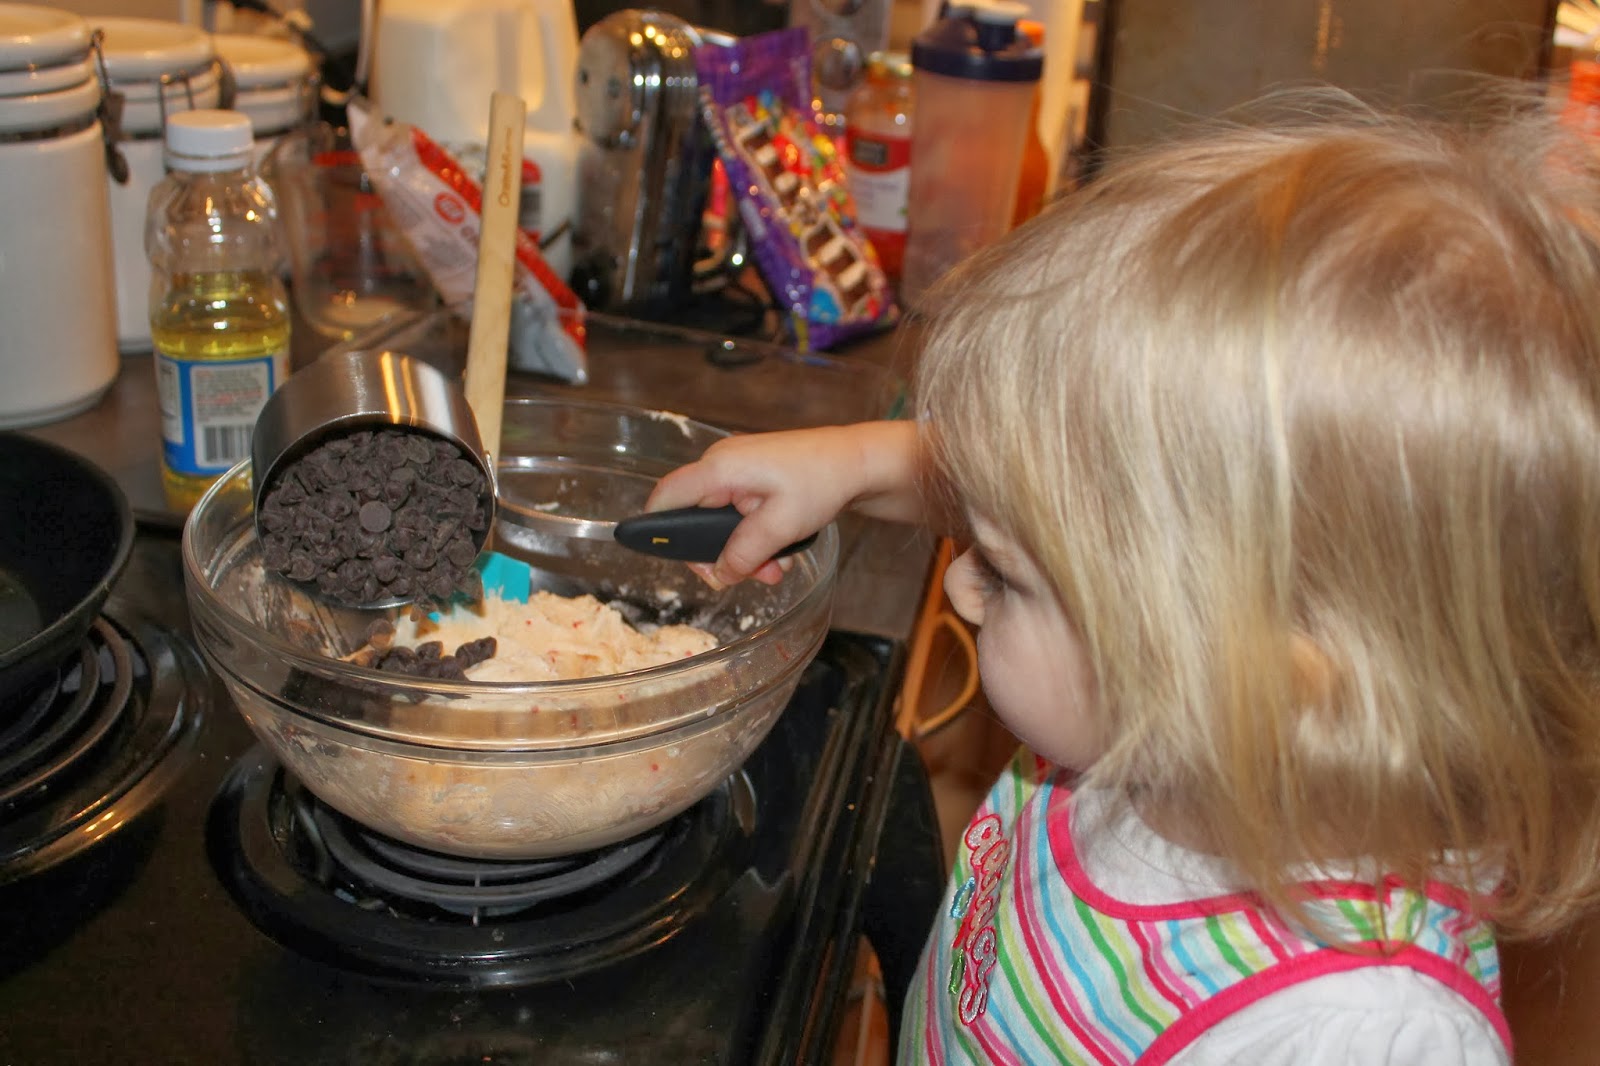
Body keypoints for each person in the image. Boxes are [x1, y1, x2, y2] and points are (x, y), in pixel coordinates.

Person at [646, 98, 1600, 1063]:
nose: (966, 590)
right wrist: (861, 461)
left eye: (1009, 576)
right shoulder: (1163, 722)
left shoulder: (1354, 1029)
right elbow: (1079, 497)